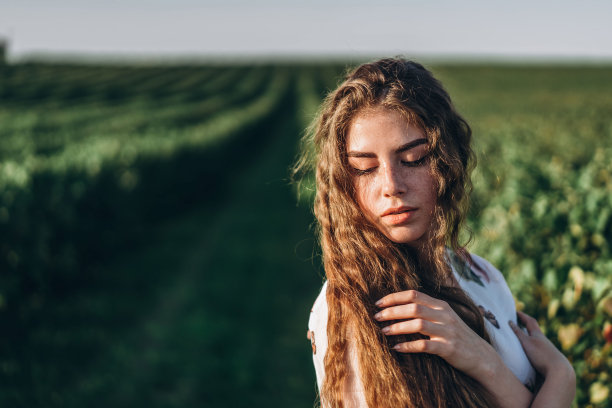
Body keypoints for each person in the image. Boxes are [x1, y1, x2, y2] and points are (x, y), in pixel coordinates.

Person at [294, 58, 575, 407]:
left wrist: (485, 360)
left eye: (413, 159)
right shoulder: (357, 309)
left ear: (447, 159)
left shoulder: (481, 274)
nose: (391, 186)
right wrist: (559, 381)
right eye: (365, 169)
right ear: (344, 182)